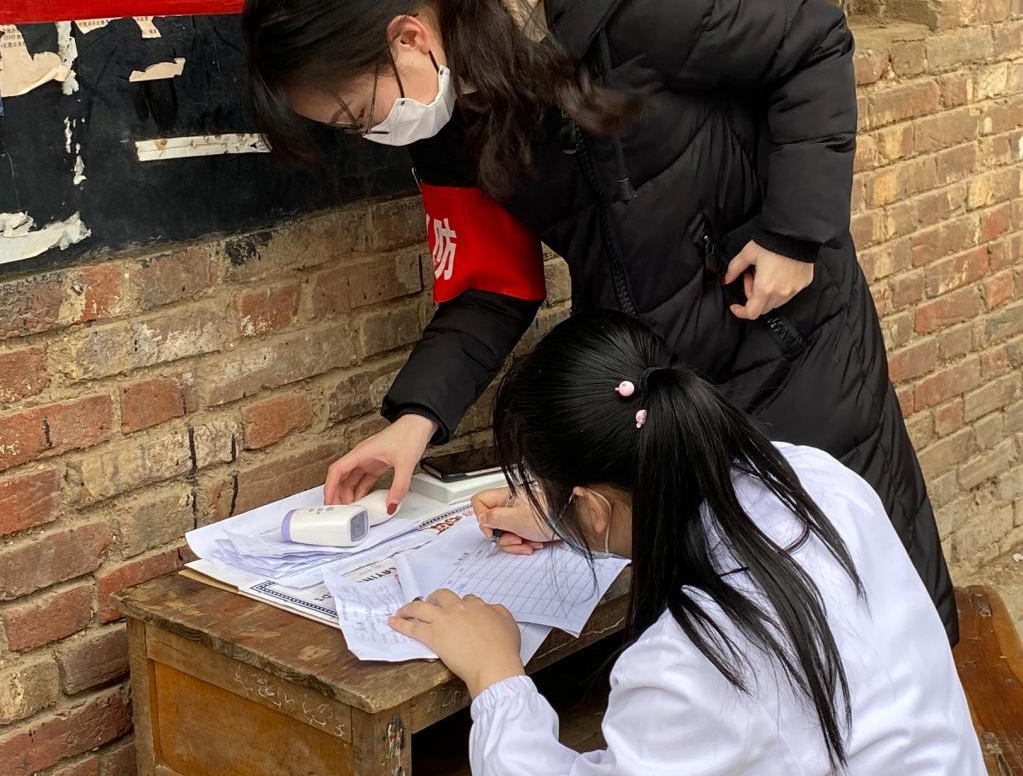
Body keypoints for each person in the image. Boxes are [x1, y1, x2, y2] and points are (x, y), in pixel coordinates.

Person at [241, 0, 959, 644]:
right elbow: (492, 284)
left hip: (785, 333)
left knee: (858, 589)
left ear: (409, 36)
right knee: (736, 629)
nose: (373, 134)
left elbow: (811, 41)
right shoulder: (446, 119)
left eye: (360, 115)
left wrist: (795, 234)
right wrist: (413, 423)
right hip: (655, 384)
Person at [389, 312, 984, 775]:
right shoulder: (813, 478)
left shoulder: (692, 662)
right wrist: (568, 518)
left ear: (594, 507)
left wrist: (495, 672)